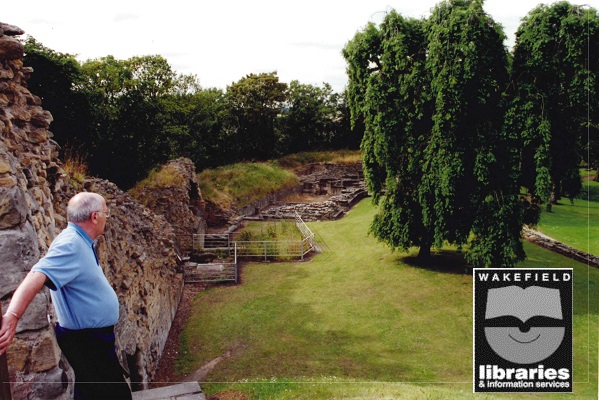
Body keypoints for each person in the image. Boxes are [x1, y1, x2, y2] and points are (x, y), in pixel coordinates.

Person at [0, 192, 131, 399]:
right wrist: (13, 316)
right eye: (106, 213)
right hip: (88, 340)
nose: (107, 217)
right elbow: (37, 274)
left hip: (93, 338)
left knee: (95, 392)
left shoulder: (80, 240)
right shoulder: (70, 244)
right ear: (95, 216)